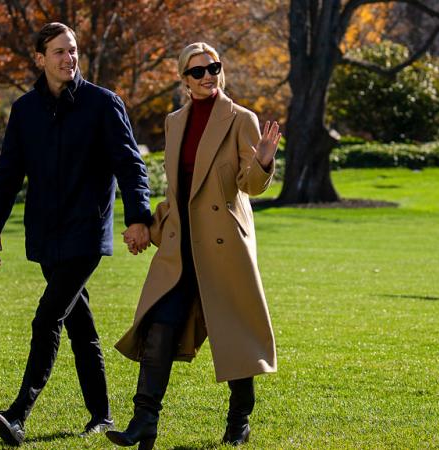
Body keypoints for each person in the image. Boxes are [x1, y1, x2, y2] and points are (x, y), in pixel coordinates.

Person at [0, 22, 152, 447]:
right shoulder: (24, 111)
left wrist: (138, 217)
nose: (68, 58)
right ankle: (102, 414)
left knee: (47, 316)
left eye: (72, 50)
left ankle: (18, 414)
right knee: (79, 323)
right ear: (40, 59)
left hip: (86, 232)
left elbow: (131, 167)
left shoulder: (102, 104)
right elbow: (8, 173)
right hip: (45, 234)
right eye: (58, 51)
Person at [106, 42, 281, 449]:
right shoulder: (174, 121)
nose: (207, 77)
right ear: (184, 80)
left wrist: (265, 160)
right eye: (198, 72)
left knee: (232, 331)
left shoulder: (241, 119)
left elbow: (248, 187)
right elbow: (178, 192)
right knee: (159, 325)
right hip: (180, 245)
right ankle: (144, 420)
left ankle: (239, 420)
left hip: (223, 244)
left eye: (213, 68)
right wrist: (147, 226)